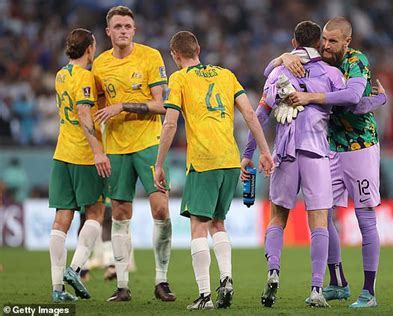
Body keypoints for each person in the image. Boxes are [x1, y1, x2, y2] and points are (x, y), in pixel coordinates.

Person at [266, 17, 383, 308]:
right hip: (330, 146)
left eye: (333, 41)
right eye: (324, 40)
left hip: (360, 146)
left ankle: (368, 291)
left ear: (347, 42)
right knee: (323, 213)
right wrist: (282, 56)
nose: (326, 45)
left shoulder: (357, 61)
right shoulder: (315, 63)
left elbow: (354, 98)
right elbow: (269, 71)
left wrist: (310, 96)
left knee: (365, 217)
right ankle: (337, 282)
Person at [154, 31, 274, 310]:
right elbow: (250, 114)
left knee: (198, 226)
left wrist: (159, 164)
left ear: (175, 55)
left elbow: (170, 124)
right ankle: (227, 278)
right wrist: (264, 151)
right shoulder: (225, 74)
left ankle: (206, 295)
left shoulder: (179, 78)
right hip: (230, 160)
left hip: (203, 160)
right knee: (218, 223)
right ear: (198, 49)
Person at [242, 20, 349, 308]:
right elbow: (350, 101)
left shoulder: (278, 72)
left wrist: (248, 153)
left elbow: (259, 115)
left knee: (277, 218)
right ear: (319, 45)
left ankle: (274, 271)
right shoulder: (331, 73)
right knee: (319, 223)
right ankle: (316, 288)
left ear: (293, 44)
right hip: (316, 153)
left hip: (285, 153)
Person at [92, 5, 174, 302]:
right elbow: (97, 108)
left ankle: (161, 280)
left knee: (161, 210)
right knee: (121, 214)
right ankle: (123, 285)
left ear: (134, 30)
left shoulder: (151, 56)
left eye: (128, 26)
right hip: (115, 148)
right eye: (118, 26)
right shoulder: (99, 66)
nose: (123, 30)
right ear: (108, 31)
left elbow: (161, 105)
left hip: (149, 144)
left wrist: (123, 105)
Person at [49, 28, 111, 302]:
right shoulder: (85, 76)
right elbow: (85, 113)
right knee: (95, 213)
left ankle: (57, 289)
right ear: (89, 48)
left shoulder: (61, 75)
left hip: (61, 154)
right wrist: (98, 151)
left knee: (61, 219)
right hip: (83, 155)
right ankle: (75, 268)